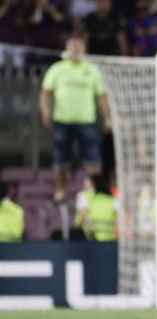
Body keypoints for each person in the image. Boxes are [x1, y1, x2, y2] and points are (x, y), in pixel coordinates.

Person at [40, 34, 110, 203]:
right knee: (60, 160)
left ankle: (93, 190)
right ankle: (61, 190)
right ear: (67, 49)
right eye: (73, 47)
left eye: (79, 47)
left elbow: (101, 96)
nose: (76, 50)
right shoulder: (57, 69)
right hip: (62, 120)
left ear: (84, 50)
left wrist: (107, 117)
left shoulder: (92, 70)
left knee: (93, 160)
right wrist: (45, 112)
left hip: (86, 121)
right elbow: (46, 92)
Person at [76, 174, 117, 241]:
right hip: (110, 237)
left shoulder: (83, 196)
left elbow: (82, 217)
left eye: (86, 183)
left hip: (90, 237)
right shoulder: (112, 200)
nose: (84, 185)